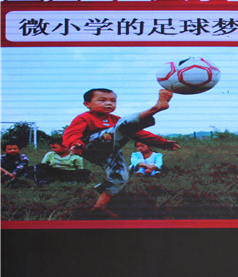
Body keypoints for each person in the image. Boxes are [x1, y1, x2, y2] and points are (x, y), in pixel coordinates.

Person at [63, 88, 181, 217]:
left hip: (109, 152)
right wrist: (75, 144)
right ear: (87, 104)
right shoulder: (84, 118)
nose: (109, 103)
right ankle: (155, 108)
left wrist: (163, 142)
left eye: (113, 101)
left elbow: (140, 134)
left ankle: (99, 207)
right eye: (102, 100)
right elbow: (72, 133)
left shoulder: (115, 119)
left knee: (120, 177)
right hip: (89, 146)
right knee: (123, 124)